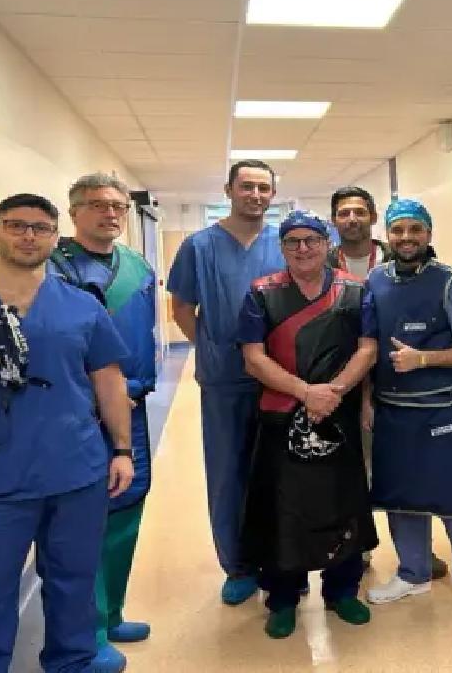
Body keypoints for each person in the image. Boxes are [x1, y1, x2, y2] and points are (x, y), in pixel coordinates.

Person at [0, 194, 134, 673]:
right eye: (16, 225)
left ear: (56, 237)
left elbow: (109, 381)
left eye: (40, 228)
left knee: (74, 585)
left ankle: (72, 663)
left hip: (76, 473)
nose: (28, 236)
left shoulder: (83, 308)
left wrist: (121, 449)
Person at [237, 210, 379, 639]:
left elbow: (367, 349)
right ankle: (283, 598)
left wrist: (332, 393)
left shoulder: (355, 290)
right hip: (281, 413)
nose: (303, 249)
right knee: (282, 508)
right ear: (282, 248)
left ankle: (343, 590)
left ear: (326, 243)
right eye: (293, 241)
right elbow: (253, 357)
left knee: (342, 501)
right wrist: (305, 392)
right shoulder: (261, 293)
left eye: (312, 240)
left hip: (337, 414)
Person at [364, 198, 452, 621]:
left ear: (428, 233)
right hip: (390, 408)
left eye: (415, 229)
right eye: (398, 230)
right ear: (387, 234)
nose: (406, 238)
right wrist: (366, 400)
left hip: (442, 409)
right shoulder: (375, 280)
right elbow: (367, 346)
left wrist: (424, 359)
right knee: (400, 498)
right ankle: (413, 572)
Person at [48, 174, 157, 672]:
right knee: (83, 522)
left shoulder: (137, 266)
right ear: (74, 213)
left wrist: (133, 390)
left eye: (117, 206)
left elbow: (143, 333)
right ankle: (86, 634)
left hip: (133, 406)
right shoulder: (54, 267)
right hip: (81, 410)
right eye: (96, 205)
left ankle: (112, 614)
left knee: (126, 508)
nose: (110, 213)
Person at [166, 160, 285, 605]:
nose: (255, 195)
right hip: (224, 380)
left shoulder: (285, 243)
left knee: (280, 472)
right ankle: (238, 566)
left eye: (263, 188)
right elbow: (182, 307)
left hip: (282, 377)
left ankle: (280, 560)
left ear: (273, 194)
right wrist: (212, 347)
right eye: (246, 186)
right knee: (228, 473)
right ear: (229, 190)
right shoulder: (199, 247)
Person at [328, 184, 449, 581]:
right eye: (343, 213)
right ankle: (356, 548)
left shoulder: (402, 257)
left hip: (397, 381)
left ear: (373, 217)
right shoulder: (322, 263)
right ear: (334, 220)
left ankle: (418, 552)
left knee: (408, 469)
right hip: (338, 382)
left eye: (359, 212)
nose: (352, 219)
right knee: (349, 471)